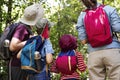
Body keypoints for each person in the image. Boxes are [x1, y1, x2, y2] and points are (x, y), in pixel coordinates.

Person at [76, 0, 120, 80]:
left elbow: (83, 41)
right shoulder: (109, 9)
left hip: (94, 54)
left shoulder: (82, 16)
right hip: (112, 50)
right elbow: (117, 28)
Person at [9, 3, 44, 80]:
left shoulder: (26, 28)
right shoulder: (22, 28)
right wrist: (30, 40)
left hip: (22, 65)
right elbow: (12, 46)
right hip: (17, 66)